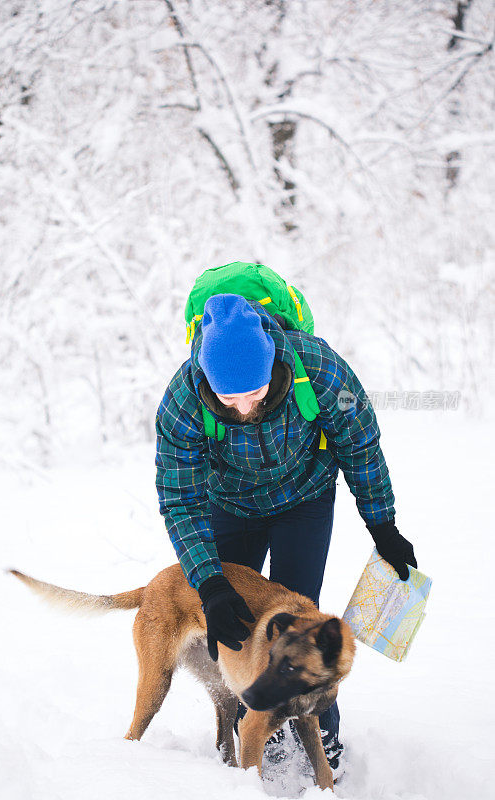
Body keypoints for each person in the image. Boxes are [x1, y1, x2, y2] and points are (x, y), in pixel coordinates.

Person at [155, 291, 417, 774]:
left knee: (305, 623)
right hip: (229, 503)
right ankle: (256, 734)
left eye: (252, 392)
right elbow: (178, 497)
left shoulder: (318, 368)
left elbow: (360, 441)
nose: (241, 407)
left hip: (305, 498)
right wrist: (208, 583)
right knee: (233, 621)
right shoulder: (184, 399)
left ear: (273, 363)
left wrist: (383, 525)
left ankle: (324, 736)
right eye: (227, 398)